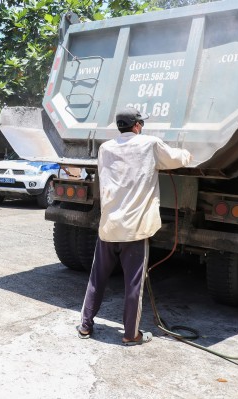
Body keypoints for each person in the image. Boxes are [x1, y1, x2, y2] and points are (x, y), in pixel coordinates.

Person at [77, 106, 191, 345]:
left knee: (97, 279)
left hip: (109, 227)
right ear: (138, 125)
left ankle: (85, 326)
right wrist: (188, 154)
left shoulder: (105, 148)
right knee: (133, 286)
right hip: (134, 230)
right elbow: (176, 159)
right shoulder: (150, 144)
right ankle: (131, 335)